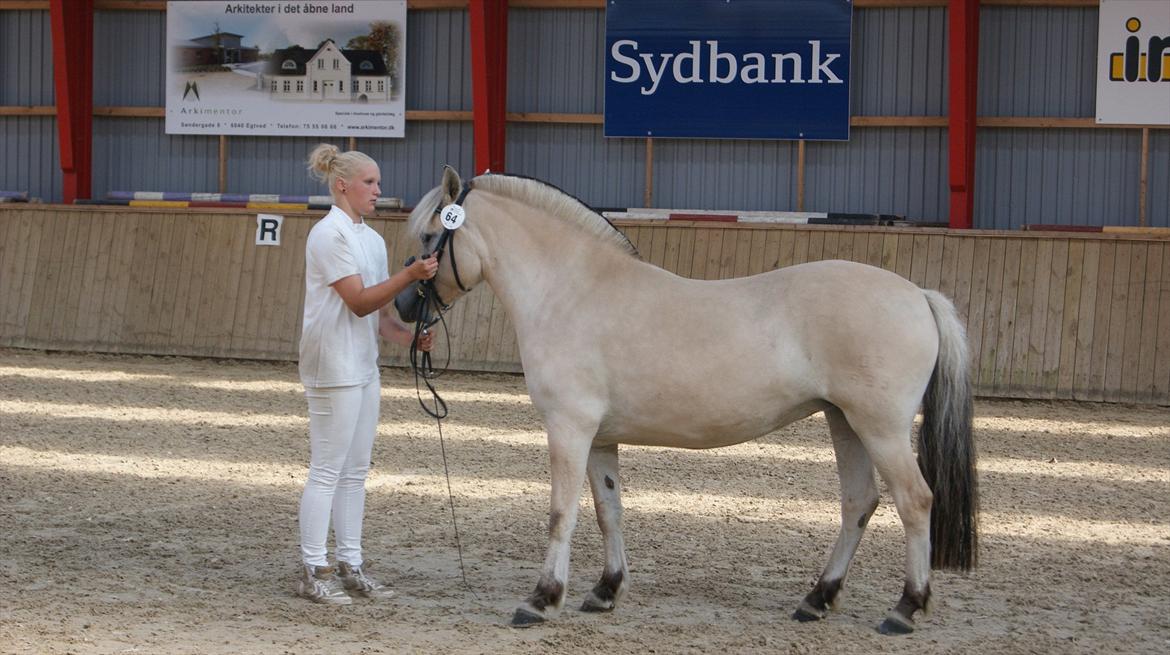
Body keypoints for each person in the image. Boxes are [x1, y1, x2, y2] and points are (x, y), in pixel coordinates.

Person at [296, 143, 438, 604]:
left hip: (361, 363)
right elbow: (357, 300)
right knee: (327, 469)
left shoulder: (372, 241)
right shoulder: (328, 235)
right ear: (343, 186)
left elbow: (377, 316)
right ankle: (313, 567)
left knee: (355, 471)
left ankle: (350, 563)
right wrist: (412, 275)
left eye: (377, 182)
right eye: (369, 183)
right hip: (331, 362)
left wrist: (408, 339)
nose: (378, 190)